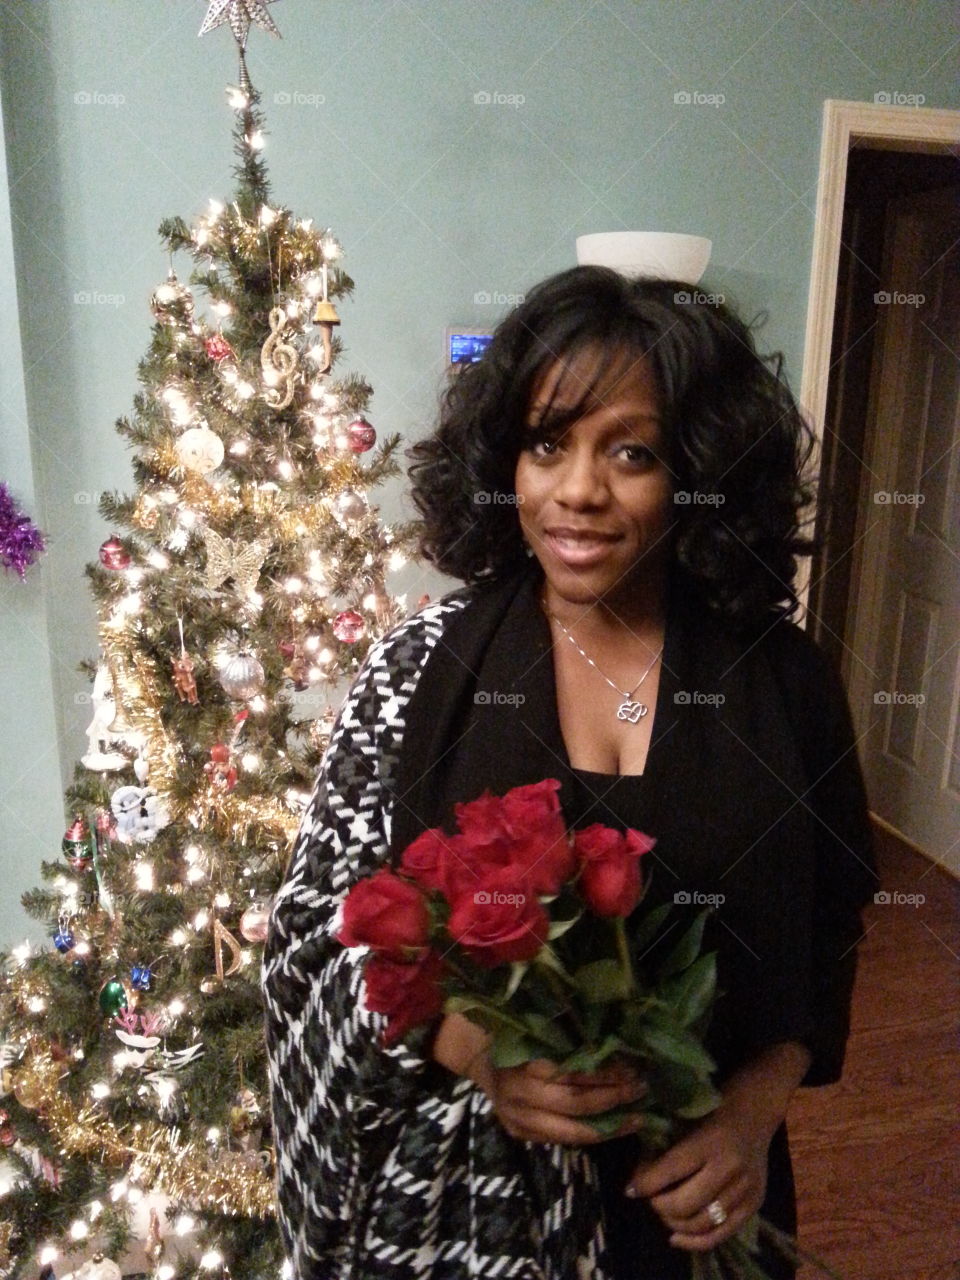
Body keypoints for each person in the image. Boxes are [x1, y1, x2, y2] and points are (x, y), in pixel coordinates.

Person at [262, 266, 877, 1279]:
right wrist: (472, 1046)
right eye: (549, 443)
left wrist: (754, 1112)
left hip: (692, 1205)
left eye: (631, 451)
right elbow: (316, 928)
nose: (579, 489)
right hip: (462, 1209)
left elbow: (831, 925)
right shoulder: (424, 670)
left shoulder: (786, 683)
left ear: (697, 469)